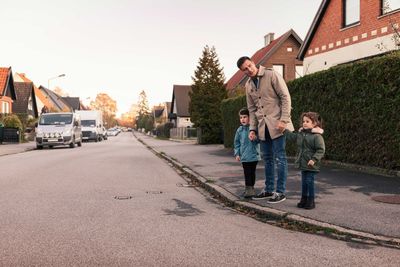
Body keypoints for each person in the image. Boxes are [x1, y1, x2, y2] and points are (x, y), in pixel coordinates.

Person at [237, 56, 294, 203]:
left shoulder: (271, 74)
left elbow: (285, 97)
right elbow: (252, 110)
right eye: (245, 69)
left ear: (253, 63)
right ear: (243, 72)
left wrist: (284, 120)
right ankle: (268, 190)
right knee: (267, 160)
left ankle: (280, 192)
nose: (249, 70)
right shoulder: (248, 86)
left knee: (280, 159)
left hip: (277, 125)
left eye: (249, 66)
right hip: (262, 128)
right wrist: (252, 129)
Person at [283, 112, 325, 209]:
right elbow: (293, 137)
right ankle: (303, 199)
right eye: (303, 121)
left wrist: (314, 159)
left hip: (311, 163)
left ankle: (311, 201)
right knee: (304, 182)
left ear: (314, 123)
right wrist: (284, 130)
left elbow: (321, 150)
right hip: (303, 163)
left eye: (307, 121)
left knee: (309, 181)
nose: (304, 123)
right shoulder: (301, 134)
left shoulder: (317, 136)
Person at [234, 107, 261, 199]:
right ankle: (248, 189)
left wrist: (255, 138)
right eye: (241, 117)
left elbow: (259, 140)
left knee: (252, 173)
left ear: (250, 118)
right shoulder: (239, 130)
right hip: (244, 157)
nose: (243, 119)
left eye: (245, 117)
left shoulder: (253, 129)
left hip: (253, 155)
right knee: (247, 173)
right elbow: (236, 143)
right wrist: (237, 154)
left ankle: (250, 188)